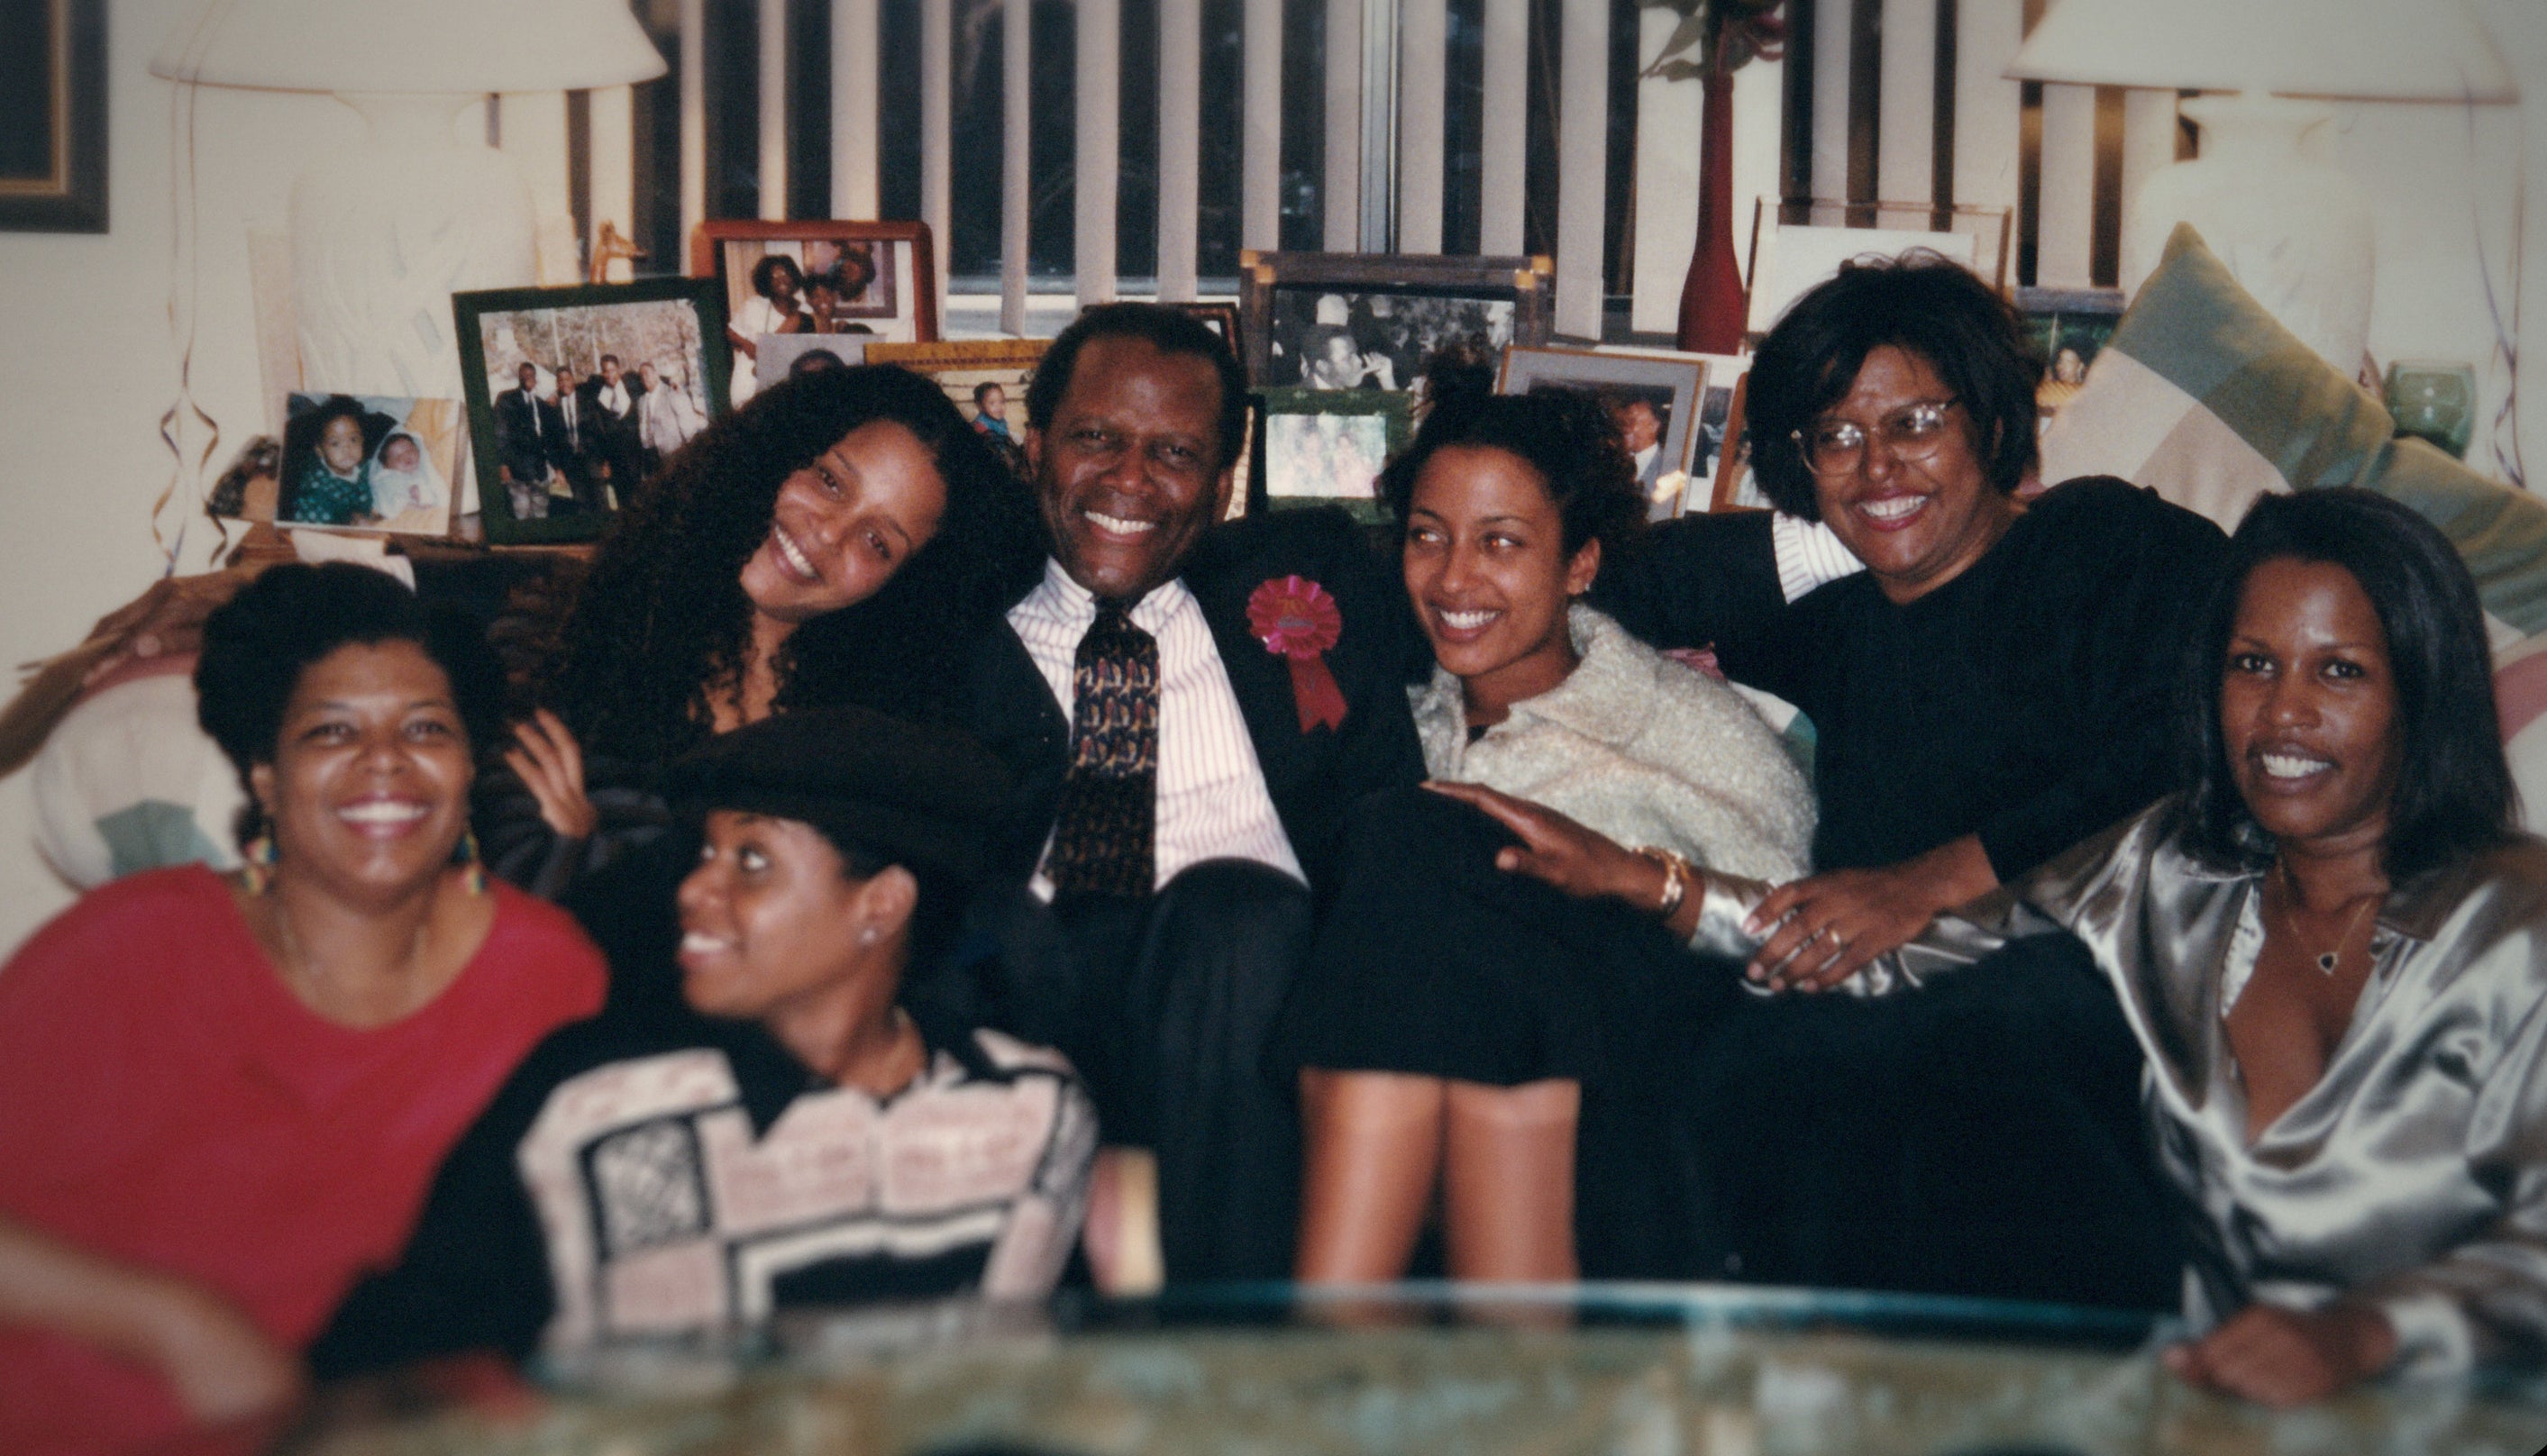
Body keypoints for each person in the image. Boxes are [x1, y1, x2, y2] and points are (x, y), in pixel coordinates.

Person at [1741, 488, 2547, 1404]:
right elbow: (1904, 950)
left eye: (2340, 673)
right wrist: (1656, 886)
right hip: (2175, 1409)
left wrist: (2368, 1332)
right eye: (2253, 663)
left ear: (2421, 691)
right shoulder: (2176, 868)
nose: (2282, 714)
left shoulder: (2519, 925)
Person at [1584, 253, 2232, 1302]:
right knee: (1695, 1041)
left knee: (1950, 1040)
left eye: (1916, 423)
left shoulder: (2109, 542)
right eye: (1836, 436)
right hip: (1897, 1003)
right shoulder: (1836, 633)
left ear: (1987, 418)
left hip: (2101, 970)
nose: (1877, 467)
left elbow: (2183, 741)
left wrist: (1931, 880)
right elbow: (1612, 586)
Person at [0, 563, 606, 1454]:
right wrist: (176, 1321)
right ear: (267, 775)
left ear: (469, 764)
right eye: (331, 730)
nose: (385, 761)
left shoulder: (549, 976)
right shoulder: (124, 949)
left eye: (426, 727)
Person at [310, 707, 1096, 1374]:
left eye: (750, 862)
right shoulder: (598, 1105)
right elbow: (396, 1369)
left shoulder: (1026, 1114)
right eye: (705, 853)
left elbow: (1032, 1388)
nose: (694, 889)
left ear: (882, 905)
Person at [1283, 391, 1813, 1283]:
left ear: (1579, 563)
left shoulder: (1689, 728)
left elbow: (1796, 947)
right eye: (1427, 534)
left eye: (1500, 541)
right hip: (1441, 1132)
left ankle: (1339, 1315)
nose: (1454, 579)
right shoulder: (1393, 724)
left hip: (1637, 1128)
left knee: (1420, 831)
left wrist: (1638, 878)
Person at [961, 302, 1427, 1280]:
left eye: (1173, 452)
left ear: (1221, 486)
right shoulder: (945, 626)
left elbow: (1546, 571)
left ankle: (1201, 1345)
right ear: (1034, 446)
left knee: (1235, 912)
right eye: (1096, 438)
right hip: (1038, 992)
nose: (1130, 479)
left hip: (1257, 1007)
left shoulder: (1312, 579)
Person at [484, 364, 1035, 904]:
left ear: (900, 584)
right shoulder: (557, 632)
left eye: (878, 542)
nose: (828, 532)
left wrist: (597, 852)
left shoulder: (869, 739)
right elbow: (506, 881)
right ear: (773, 450)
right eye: (830, 480)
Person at [282, 396, 379, 527]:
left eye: (353, 439)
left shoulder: (368, 467)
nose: (347, 448)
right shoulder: (314, 493)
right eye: (335, 443)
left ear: (362, 440)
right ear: (320, 451)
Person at [729, 253, 811, 401]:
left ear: (794, 276)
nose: (781, 280)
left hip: (786, 378)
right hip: (750, 375)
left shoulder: (806, 311)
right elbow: (731, 332)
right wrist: (747, 345)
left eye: (786, 274)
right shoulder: (755, 305)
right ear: (766, 281)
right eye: (774, 276)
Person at [492, 362, 561, 521]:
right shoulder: (507, 400)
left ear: (536, 378)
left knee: (541, 513)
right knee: (522, 513)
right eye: (525, 376)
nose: (529, 379)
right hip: (518, 468)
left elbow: (549, 436)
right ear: (520, 377)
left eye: (532, 376)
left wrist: (556, 467)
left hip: (539, 468)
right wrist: (503, 463)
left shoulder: (540, 403)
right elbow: (501, 433)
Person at [585, 353, 647, 496]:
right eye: (606, 371)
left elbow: (650, 378)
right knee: (622, 498)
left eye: (613, 370)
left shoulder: (632, 383)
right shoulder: (597, 392)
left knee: (641, 495)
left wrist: (670, 381)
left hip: (636, 454)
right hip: (615, 458)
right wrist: (555, 394)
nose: (609, 374)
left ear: (619, 369)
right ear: (602, 373)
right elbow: (579, 386)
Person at [635, 359, 707, 475]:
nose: (644, 378)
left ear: (656, 373)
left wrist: (690, 450)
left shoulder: (672, 391)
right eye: (641, 375)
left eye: (647, 373)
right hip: (655, 458)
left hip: (678, 453)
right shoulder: (641, 401)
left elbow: (688, 425)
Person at [366, 426, 446, 521]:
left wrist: (422, 495)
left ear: (418, 450)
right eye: (397, 456)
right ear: (386, 466)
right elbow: (391, 499)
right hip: (398, 514)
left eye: (409, 450)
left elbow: (435, 492)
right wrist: (413, 506)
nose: (405, 456)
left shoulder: (422, 471)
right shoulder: (388, 477)